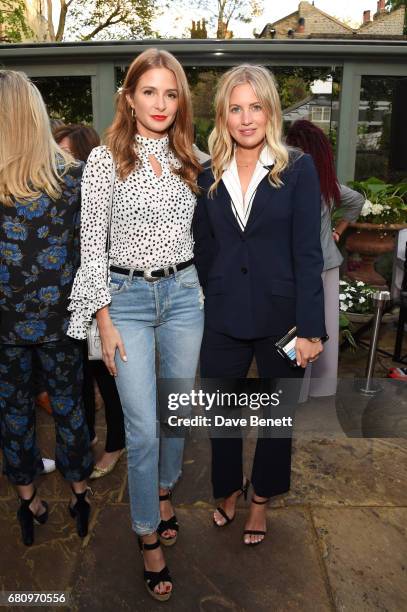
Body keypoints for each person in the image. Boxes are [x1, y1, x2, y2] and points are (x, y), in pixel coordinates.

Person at [67, 49, 203, 601]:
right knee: (142, 427)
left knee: (176, 413)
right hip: (124, 300)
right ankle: (147, 531)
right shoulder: (104, 160)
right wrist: (103, 318)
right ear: (129, 96)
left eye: (171, 94)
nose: (161, 103)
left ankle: (165, 489)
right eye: (150, 91)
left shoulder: (189, 156)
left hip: (184, 296)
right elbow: (90, 243)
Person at [193, 65, 326, 546]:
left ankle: (261, 500)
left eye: (255, 106)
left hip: (283, 319)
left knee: (276, 420)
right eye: (235, 108)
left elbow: (307, 253)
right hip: (223, 317)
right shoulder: (207, 174)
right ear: (223, 115)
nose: (246, 118)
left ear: (269, 110)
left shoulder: (297, 168)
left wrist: (311, 328)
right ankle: (227, 490)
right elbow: (205, 247)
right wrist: (215, 291)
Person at [0, 70, 93, 547]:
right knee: (69, 407)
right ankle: (79, 495)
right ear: (36, 117)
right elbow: (93, 251)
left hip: (4, 329)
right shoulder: (74, 180)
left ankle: (28, 502)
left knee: (13, 413)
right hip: (62, 323)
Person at [54, 123, 126, 477]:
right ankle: (84, 439)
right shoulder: (56, 197)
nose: (62, 164)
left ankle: (116, 442)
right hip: (65, 301)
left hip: (99, 300)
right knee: (77, 378)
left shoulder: (104, 189)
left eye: (68, 157)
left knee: (106, 375)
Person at [286, 119, 365, 398]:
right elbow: (357, 199)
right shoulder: (327, 183)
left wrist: (338, 230)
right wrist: (338, 232)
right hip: (329, 265)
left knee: (296, 328)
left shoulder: (294, 181)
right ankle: (319, 388)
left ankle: (294, 392)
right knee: (324, 329)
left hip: (302, 267)